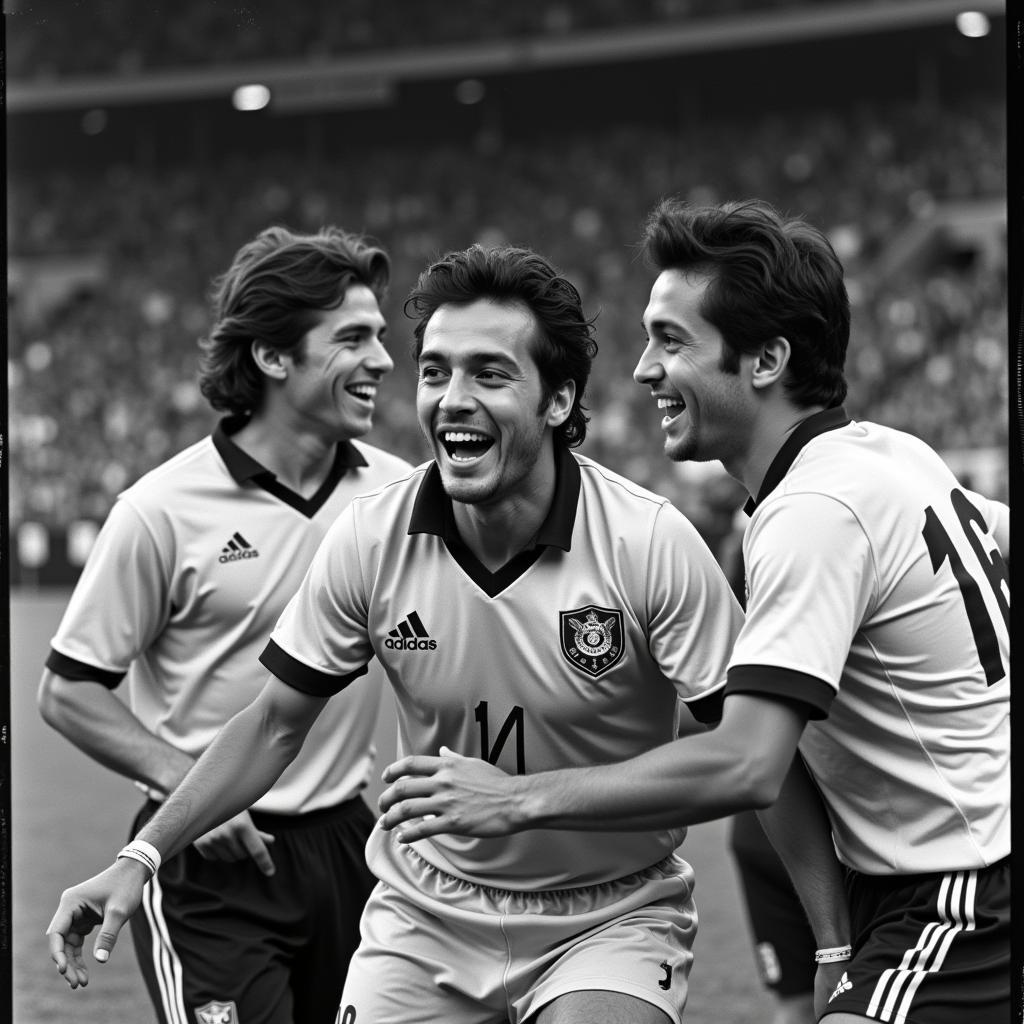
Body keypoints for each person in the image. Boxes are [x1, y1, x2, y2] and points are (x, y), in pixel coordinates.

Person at [47, 243, 748, 1024]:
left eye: (489, 373)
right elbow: (275, 723)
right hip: (428, 910)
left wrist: (523, 800)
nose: (452, 398)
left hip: (610, 913)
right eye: (436, 371)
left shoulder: (648, 541)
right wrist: (140, 857)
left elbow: (745, 758)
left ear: (557, 402)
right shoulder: (370, 533)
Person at [371, 199, 1011, 1024]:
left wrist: (516, 798)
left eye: (672, 340)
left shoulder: (815, 509)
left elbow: (745, 763)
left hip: (953, 892)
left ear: (767, 359)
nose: (642, 369)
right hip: (938, 872)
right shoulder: (891, 455)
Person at [39, 225, 413, 1024]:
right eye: (353, 338)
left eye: (381, 336)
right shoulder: (160, 509)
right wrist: (189, 785)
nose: (383, 360)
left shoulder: (401, 497)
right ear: (274, 358)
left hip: (354, 846)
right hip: (207, 860)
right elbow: (68, 691)